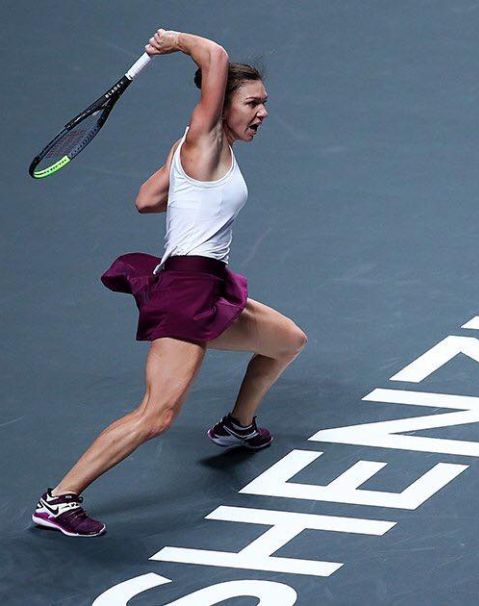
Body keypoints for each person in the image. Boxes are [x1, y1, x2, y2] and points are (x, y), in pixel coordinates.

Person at [31, 29, 307, 538]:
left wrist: (189, 193)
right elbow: (216, 55)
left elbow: (145, 199)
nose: (263, 111)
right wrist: (176, 41)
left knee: (287, 341)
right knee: (156, 415)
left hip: (208, 284)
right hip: (187, 293)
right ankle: (59, 498)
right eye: (252, 102)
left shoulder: (190, 148)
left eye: (265, 101)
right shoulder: (201, 137)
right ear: (219, 104)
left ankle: (237, 426)